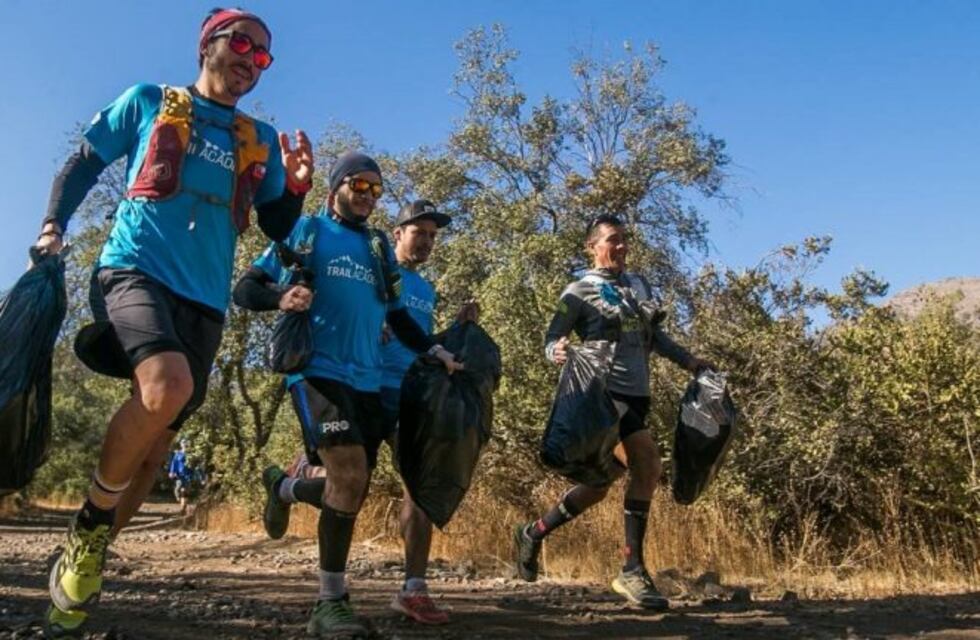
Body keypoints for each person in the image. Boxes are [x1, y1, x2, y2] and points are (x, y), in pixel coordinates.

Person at [37, 8, 314, 637]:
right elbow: (82, 163)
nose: (252, 58)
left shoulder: (259, 137)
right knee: (167, 388)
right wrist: (54, 225)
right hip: (133, 269)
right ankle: (88, 524)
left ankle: (89, 556)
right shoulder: (147, 101)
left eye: (264, 55)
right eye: (242, 42)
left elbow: (274, 225)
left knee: (159, 439)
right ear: (208, 45)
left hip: (204, 298)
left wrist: (294, 190)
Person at [233, 156, 461, 638]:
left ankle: (284, 488)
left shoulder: (379, 246)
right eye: (359, 184)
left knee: (350, 486)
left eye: (376, 189)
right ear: (337, 185)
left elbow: (398, 316)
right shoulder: (307, 230)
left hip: (367, 380)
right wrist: (281, 297)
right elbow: (245, 288)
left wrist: (436, 350)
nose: (367, 194)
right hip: (316, 370)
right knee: (351, 474)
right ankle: (330, 603)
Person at [513, 214, 714, 609]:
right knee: (649, 463)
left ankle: (533, 532)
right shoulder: (579, 290)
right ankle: (632, 569)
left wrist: (690, 362)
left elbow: (654, 337)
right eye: (611, 240)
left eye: (624, 239)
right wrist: (555, 350)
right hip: (602, 395)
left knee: (601, 484)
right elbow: (554, 336)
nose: (620, 247)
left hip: (638, 393)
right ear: (592, 246)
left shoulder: (639, 285)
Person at [167, 440, 194, 515]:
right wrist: (172, 472)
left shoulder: (191, 454)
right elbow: (174, 463)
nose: (185, 444)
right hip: (179, 475)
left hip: (188, 475)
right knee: (177, 490)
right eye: (183, 443)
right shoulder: (178, 454)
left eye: (186, 443)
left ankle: (183, 509)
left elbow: (195, 465)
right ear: (181, 445)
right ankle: (181, 502)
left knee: (184, 492)